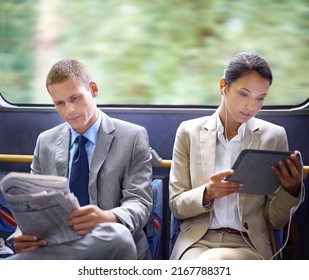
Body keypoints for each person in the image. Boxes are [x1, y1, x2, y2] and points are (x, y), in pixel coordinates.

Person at [7, 59, 153, 260]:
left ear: (93, 90)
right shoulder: (45, 142)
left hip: (112, 249)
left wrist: (108, 218)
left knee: (116, 234)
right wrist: (22, 237)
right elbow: (32, 206)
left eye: (75, 98)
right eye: (60, 103)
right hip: (57, 245)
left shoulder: (133, 136)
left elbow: (140, 202)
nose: (70, 110)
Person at [169, 52, 305, 260]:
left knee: (211, 263)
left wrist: (291, 190)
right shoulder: (189, 132)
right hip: (196, 241)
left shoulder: (274, 136)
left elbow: (274, 220)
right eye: (244, 94)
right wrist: (207, 193)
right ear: (223, 85)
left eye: (260, 98)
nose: (252, 106)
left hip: (249, 244)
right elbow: (177, 205)